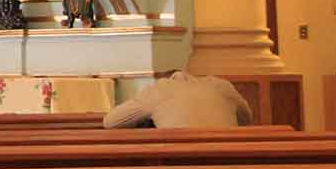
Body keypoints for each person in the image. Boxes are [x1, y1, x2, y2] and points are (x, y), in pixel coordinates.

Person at [102, 70, 252, 129]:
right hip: (228, 162)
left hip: (178, 165)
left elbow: (110, 122)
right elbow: (247, 119)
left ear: (170, 78)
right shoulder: (222, 86)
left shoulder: (160, 88)